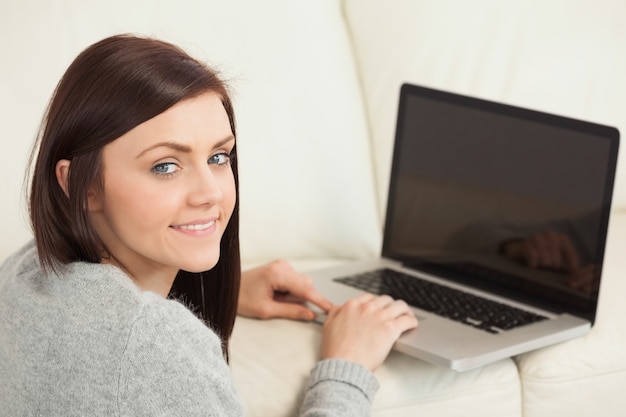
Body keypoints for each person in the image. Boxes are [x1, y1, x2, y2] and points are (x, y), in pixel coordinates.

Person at [0, 34, 417, 416]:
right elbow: (135, 350)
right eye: (165, 166)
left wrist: (229, 290)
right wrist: (345, 366)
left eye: (219, 157)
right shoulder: (159, 348)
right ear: (81, 185)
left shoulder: (24, 273)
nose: (210, 193)